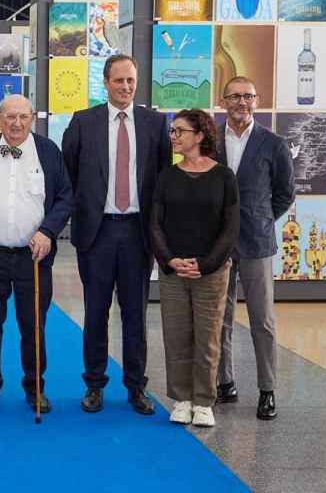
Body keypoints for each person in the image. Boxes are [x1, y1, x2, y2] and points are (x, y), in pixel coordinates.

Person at [61, 54, 170, 416]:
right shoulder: (83, 123)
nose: (126, 87)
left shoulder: (154, 124)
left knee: (135, 314)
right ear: (105, 82)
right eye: (119, 80)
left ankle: (136, 387)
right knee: (95, 312)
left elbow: (163, 178)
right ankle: (94, 384)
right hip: (97, 233)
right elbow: (69, 176)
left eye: (131, 81)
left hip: (138, 233)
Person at [0, 94, 73, 413]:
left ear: (32, 118)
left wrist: (47, 230)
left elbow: (65, 197)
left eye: (23, 117)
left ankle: (35, 388)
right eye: (10, 117)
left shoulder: (48, 152)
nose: (16, 123)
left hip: (32, 259)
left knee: (33, 325)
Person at [150, 109, 240, 428]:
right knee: (176, 336)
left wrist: (204, 264)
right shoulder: (167, 176)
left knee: (208, 336)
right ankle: (181, 399)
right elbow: (155, 224)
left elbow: (230, 229)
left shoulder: (224, 177)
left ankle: (203, 400)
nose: (173, 136)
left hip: (211, 272)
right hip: (173, 271)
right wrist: (170, 260)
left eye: (180, 131)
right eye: (172, 131)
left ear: (200, 136)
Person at [215, 76, 295, 420]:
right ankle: (224, 383)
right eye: (234, 96)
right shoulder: (210, 140)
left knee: (262, 320)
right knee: (220, 318)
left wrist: (261, 219)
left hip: (257, 243)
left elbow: (284, 193)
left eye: (248, 96)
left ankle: (267, 389)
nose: (241, 102)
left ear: (256, 100)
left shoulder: (273, 143)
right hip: (216, 243)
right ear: (223, 101)